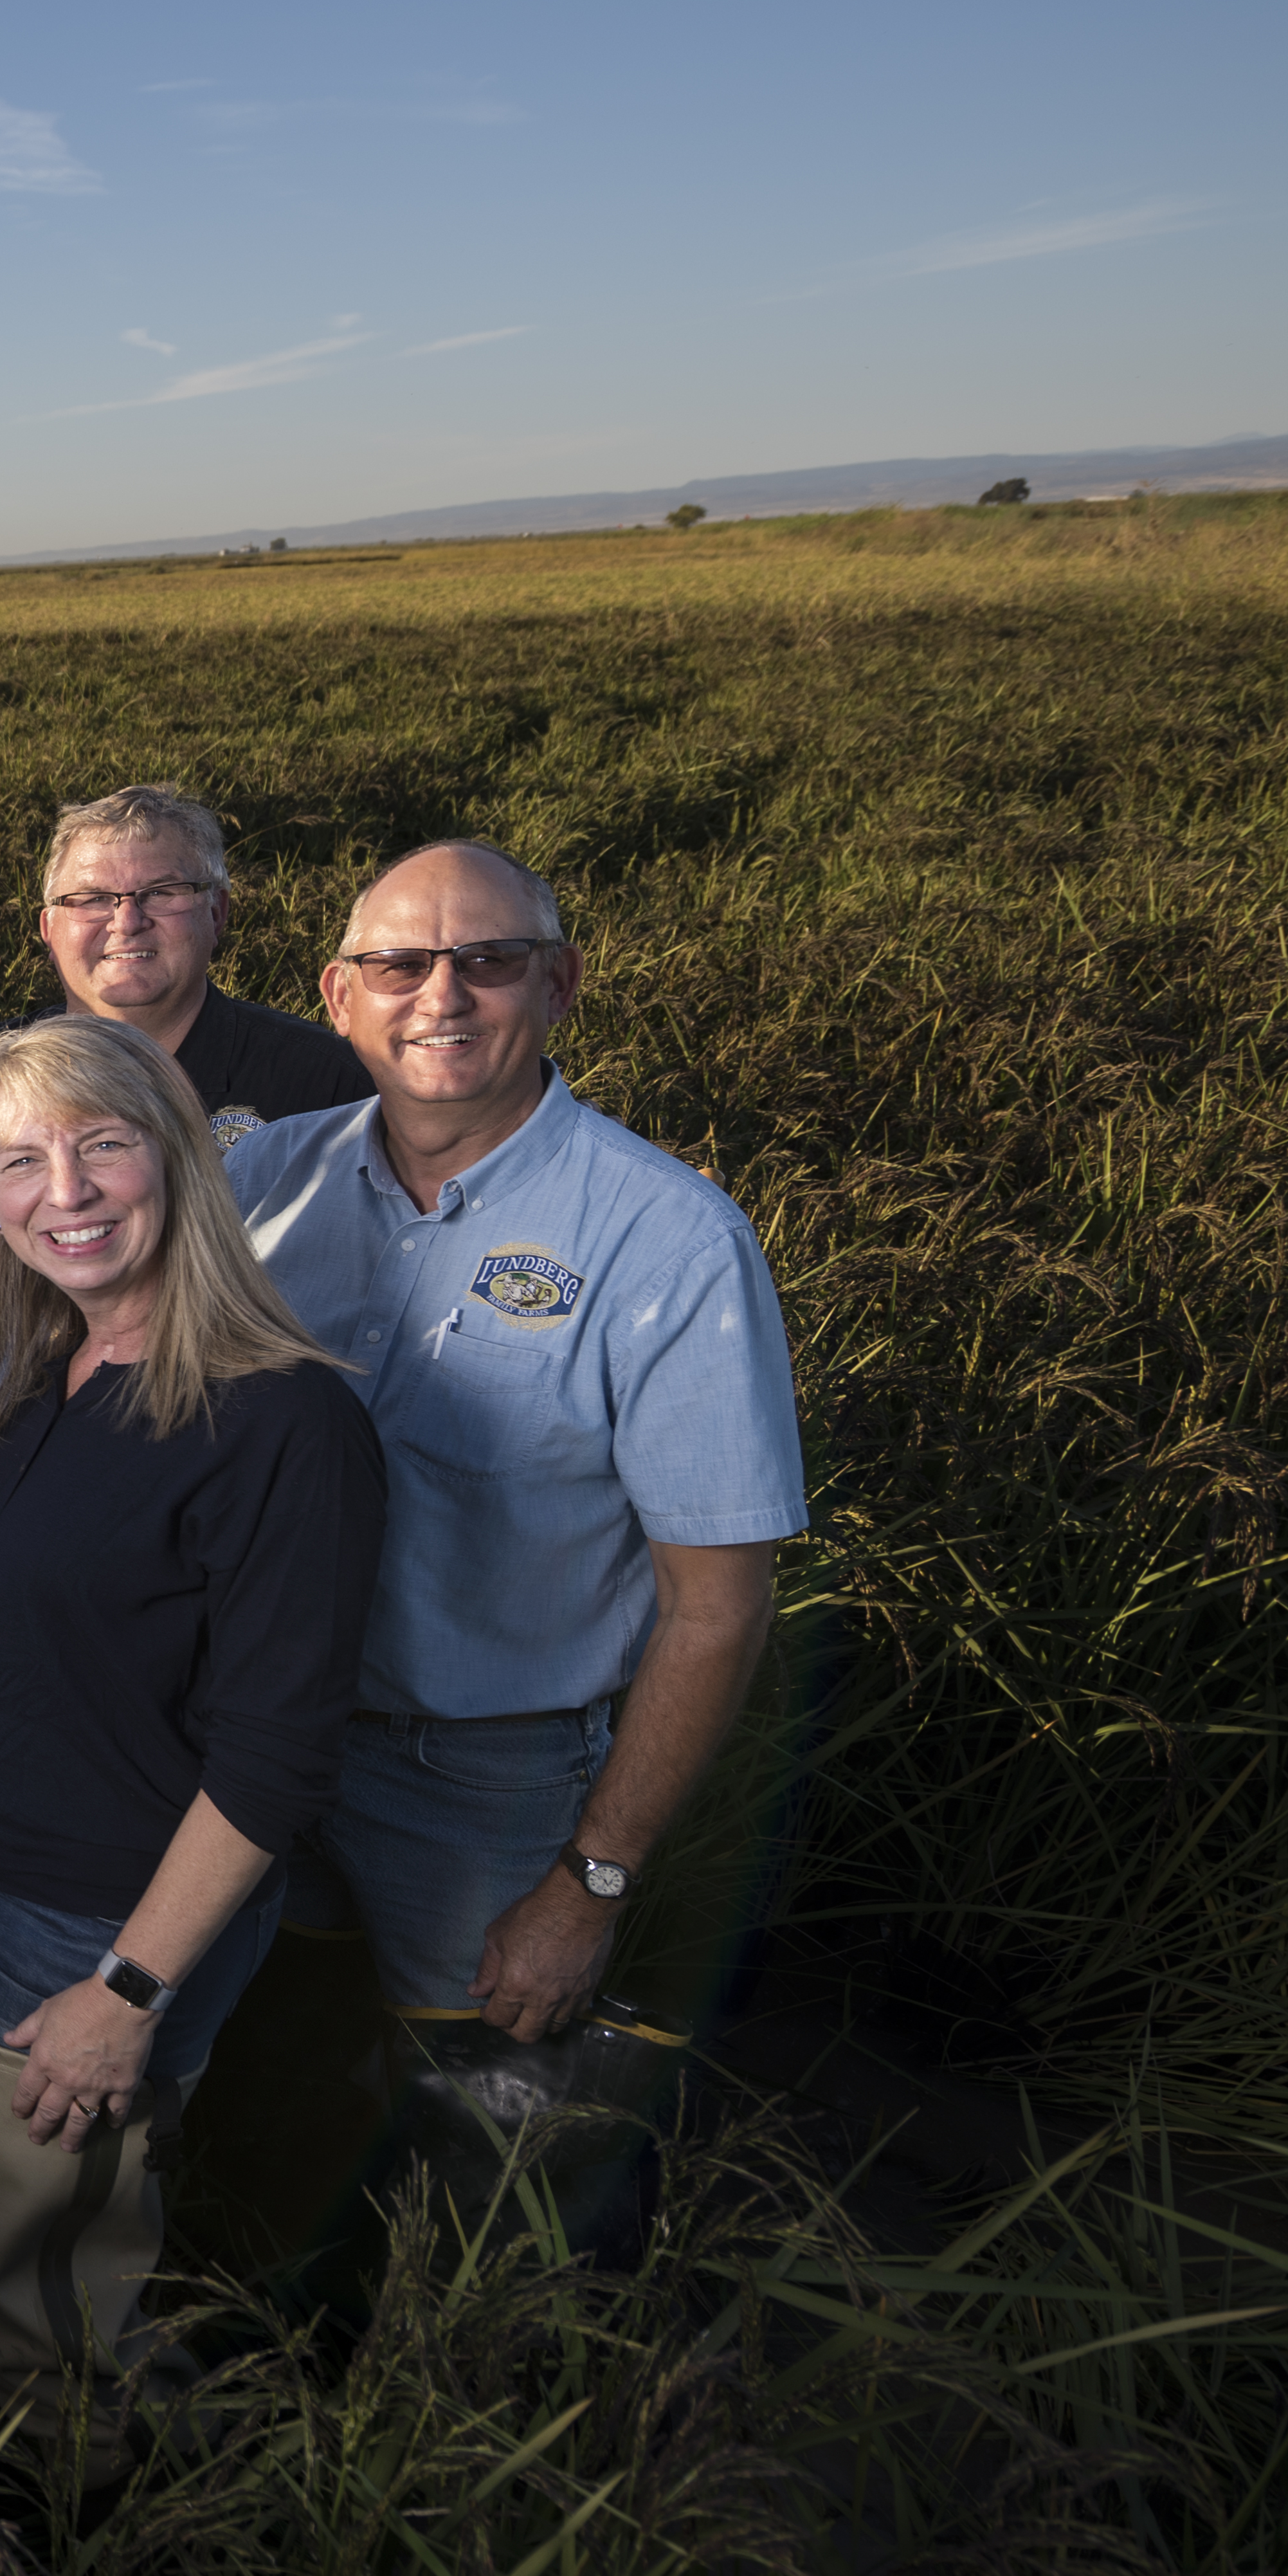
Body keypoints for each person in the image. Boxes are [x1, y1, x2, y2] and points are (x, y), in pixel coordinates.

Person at [225, 839, 806, 2079]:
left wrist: (589, 1883)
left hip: (485, 1780)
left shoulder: (671, 1239)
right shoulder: (257, 1183)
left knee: (490, 2104)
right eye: (397, 964)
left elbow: (719, 1610)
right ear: (338, 997)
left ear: (559, 985)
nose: (440, 995)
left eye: (487, 961)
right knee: (295, 2057)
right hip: (264, 1732)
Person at [0, 1016, 386, 2470]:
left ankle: (144, 2558)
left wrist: (126, 1987)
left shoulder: (279, 1417)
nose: (65, 1186)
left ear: (175, 1158)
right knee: (4, 2248)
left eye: (102, 1141)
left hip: (104, 1914)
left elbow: (273, 1754)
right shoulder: (19, 1377)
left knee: (54, 2279)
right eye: (18, 1158)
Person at [0, 786, 370, 1144]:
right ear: (49, 929)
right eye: (94, 898)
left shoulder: (331, 1087)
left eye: (161, 893)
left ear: (218, 912)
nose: (127, 922)